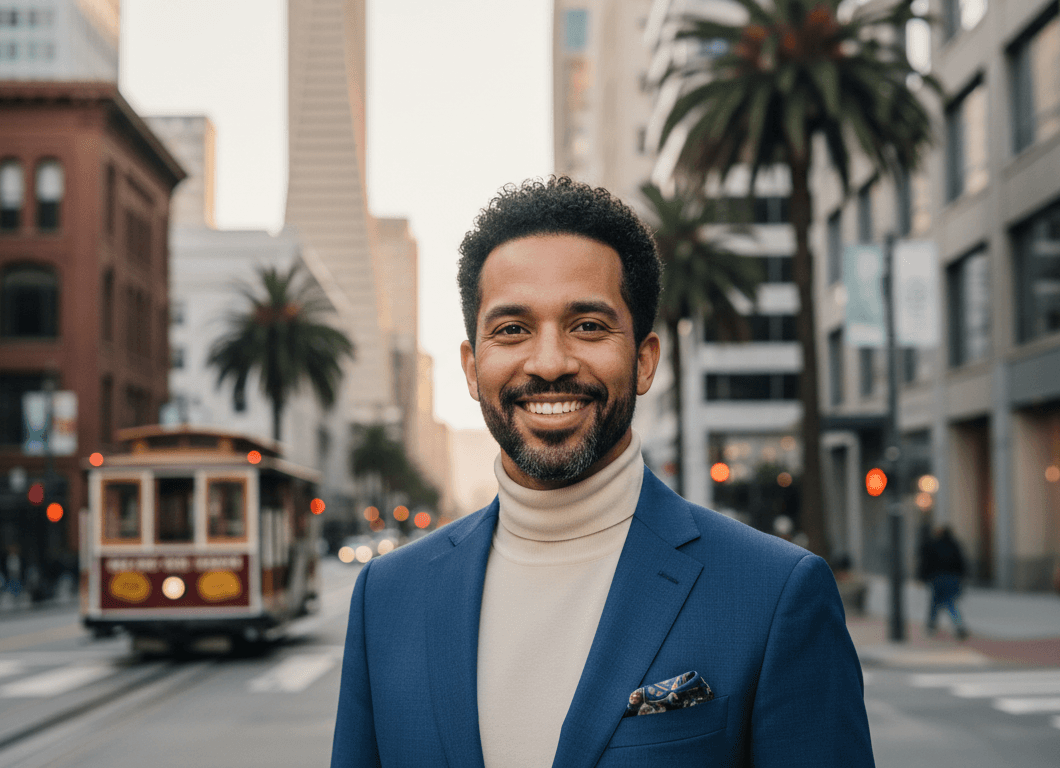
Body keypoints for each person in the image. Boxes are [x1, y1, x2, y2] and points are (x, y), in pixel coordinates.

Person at [332, 178, 873, 766]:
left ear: (643, 361)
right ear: (472, 366)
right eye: (512, 329)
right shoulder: (387, 598)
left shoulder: (775, 593)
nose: (549, 363)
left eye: (588, 326)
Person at [919, 525, 969, 640]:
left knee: (935, 603)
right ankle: (958, 625)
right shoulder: (954, 544)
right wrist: (962, 577)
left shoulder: (933, 544)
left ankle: (931, 626)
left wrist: (923, 577)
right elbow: (961, 562)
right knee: (950, 603)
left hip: (937, 578)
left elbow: (926, 562)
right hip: (952, 578)